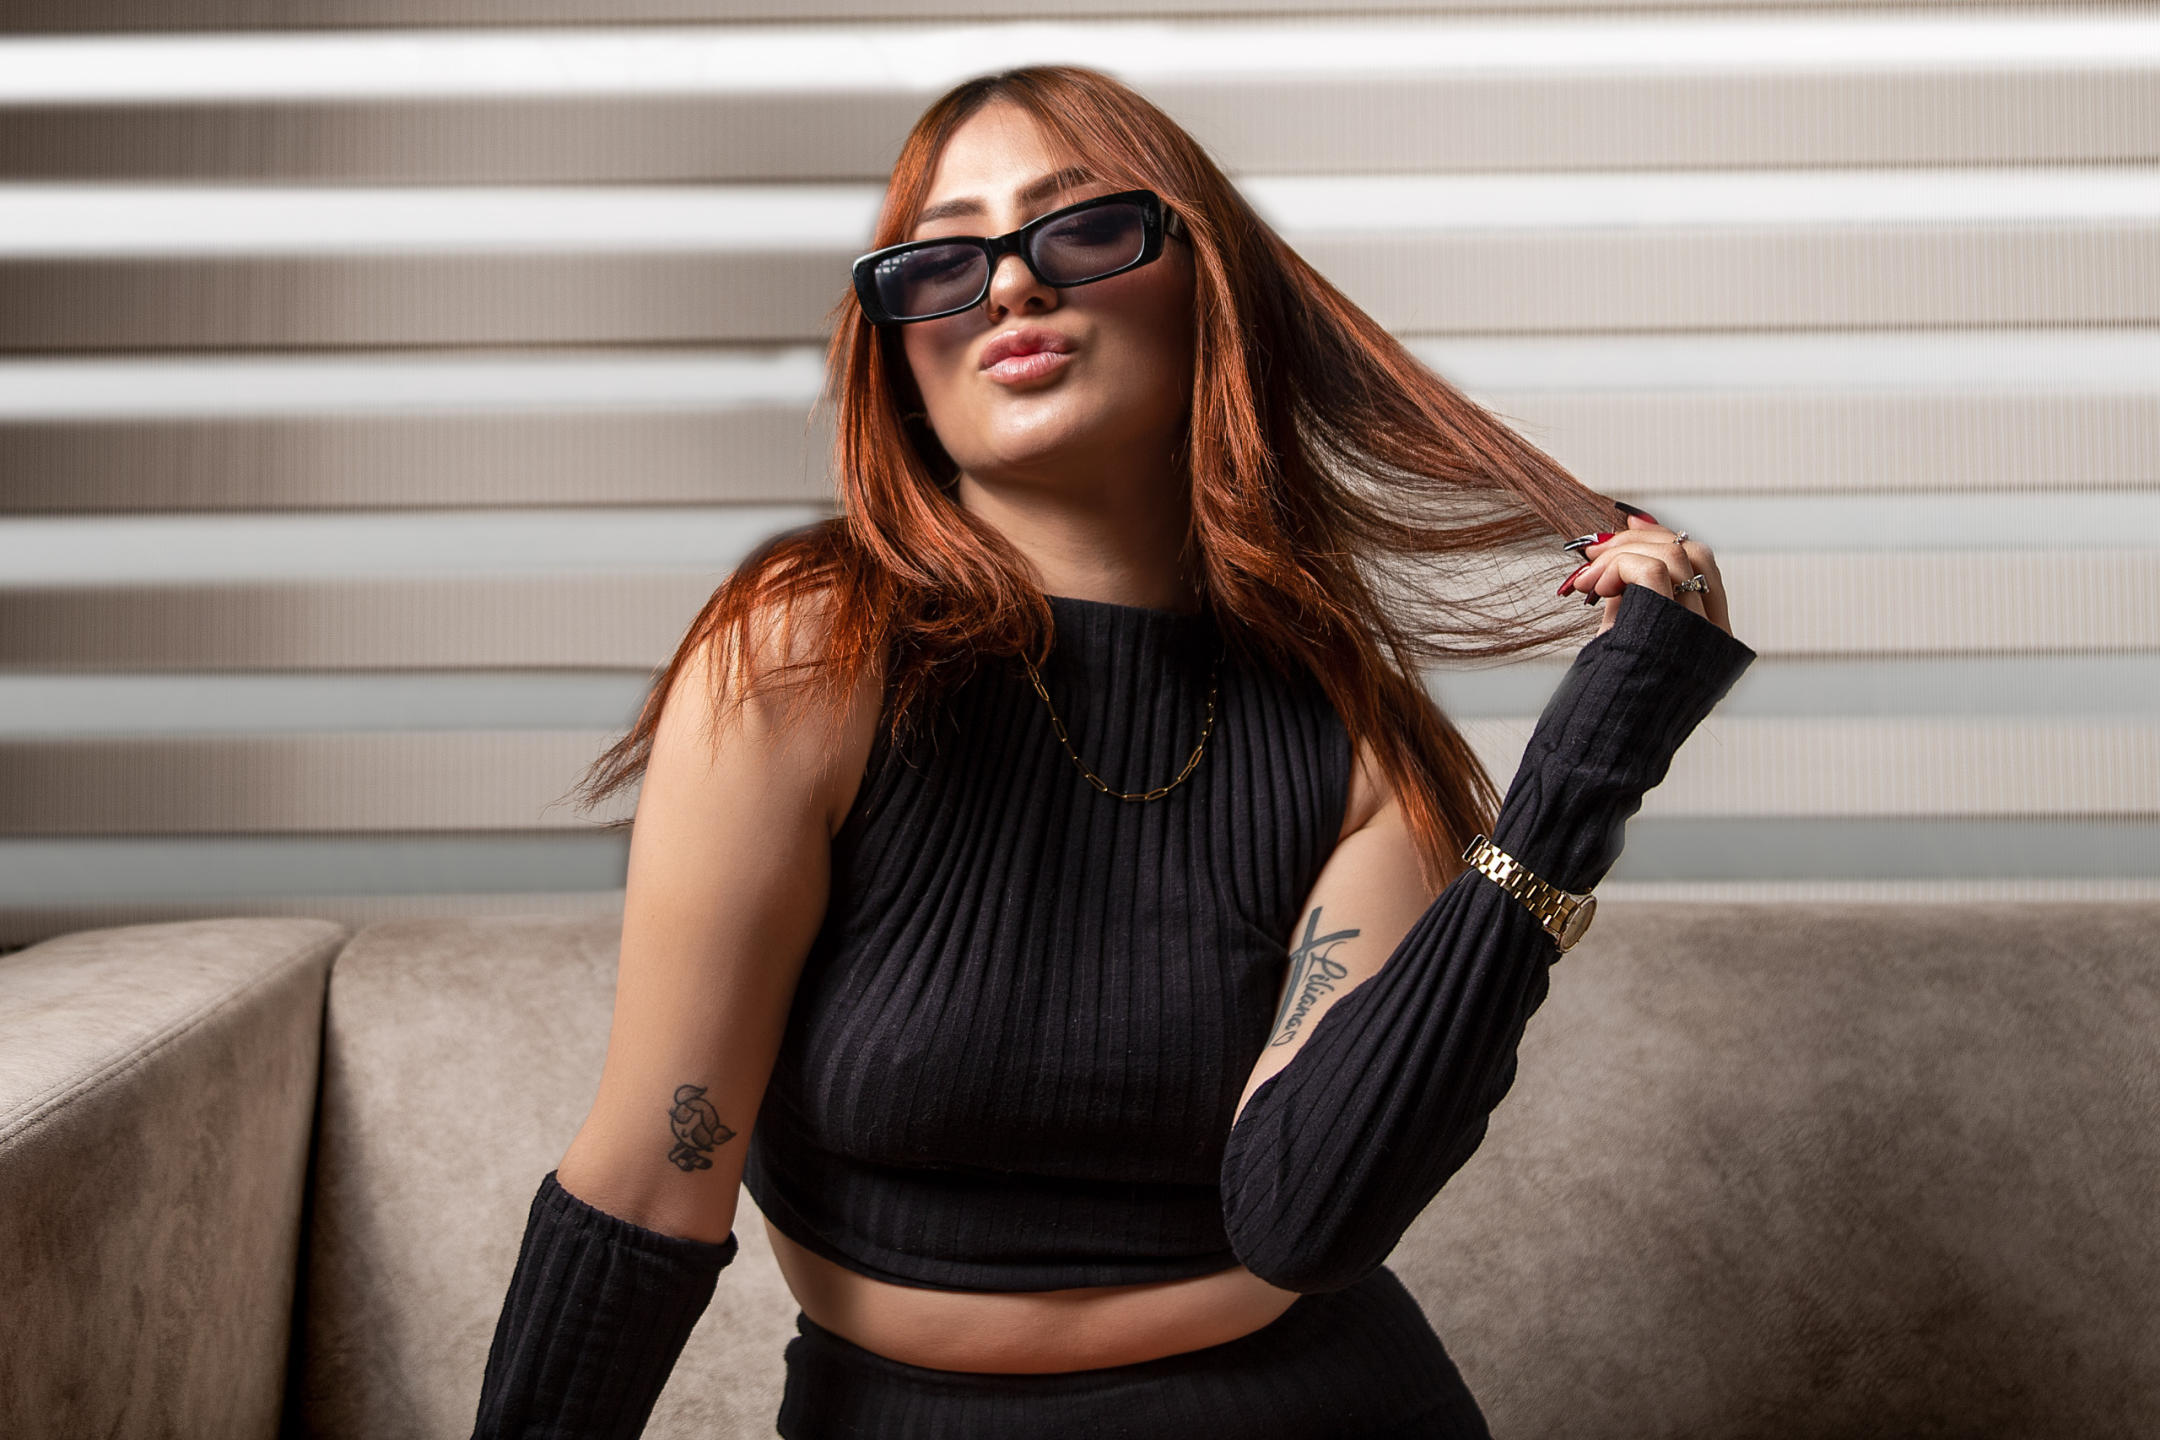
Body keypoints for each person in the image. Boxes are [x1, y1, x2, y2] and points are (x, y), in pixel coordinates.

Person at [468, 64, 1755, 1440]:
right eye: (943, 261)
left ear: (1209, 283)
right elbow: (648, 1183)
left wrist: (1584, 775)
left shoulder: (1358, 737)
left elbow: (1308, 1215)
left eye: (1079, 229)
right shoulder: (803, 656)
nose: (1012, 284)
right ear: (900, 353)